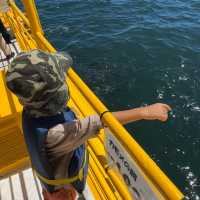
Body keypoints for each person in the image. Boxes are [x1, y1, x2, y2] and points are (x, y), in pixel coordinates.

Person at [6, 49, 171, 200]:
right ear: (59, 96)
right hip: (65, 191)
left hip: (50, 182)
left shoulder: (29, 112)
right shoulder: (57, 134)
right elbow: (100, 122)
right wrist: (145, 112)